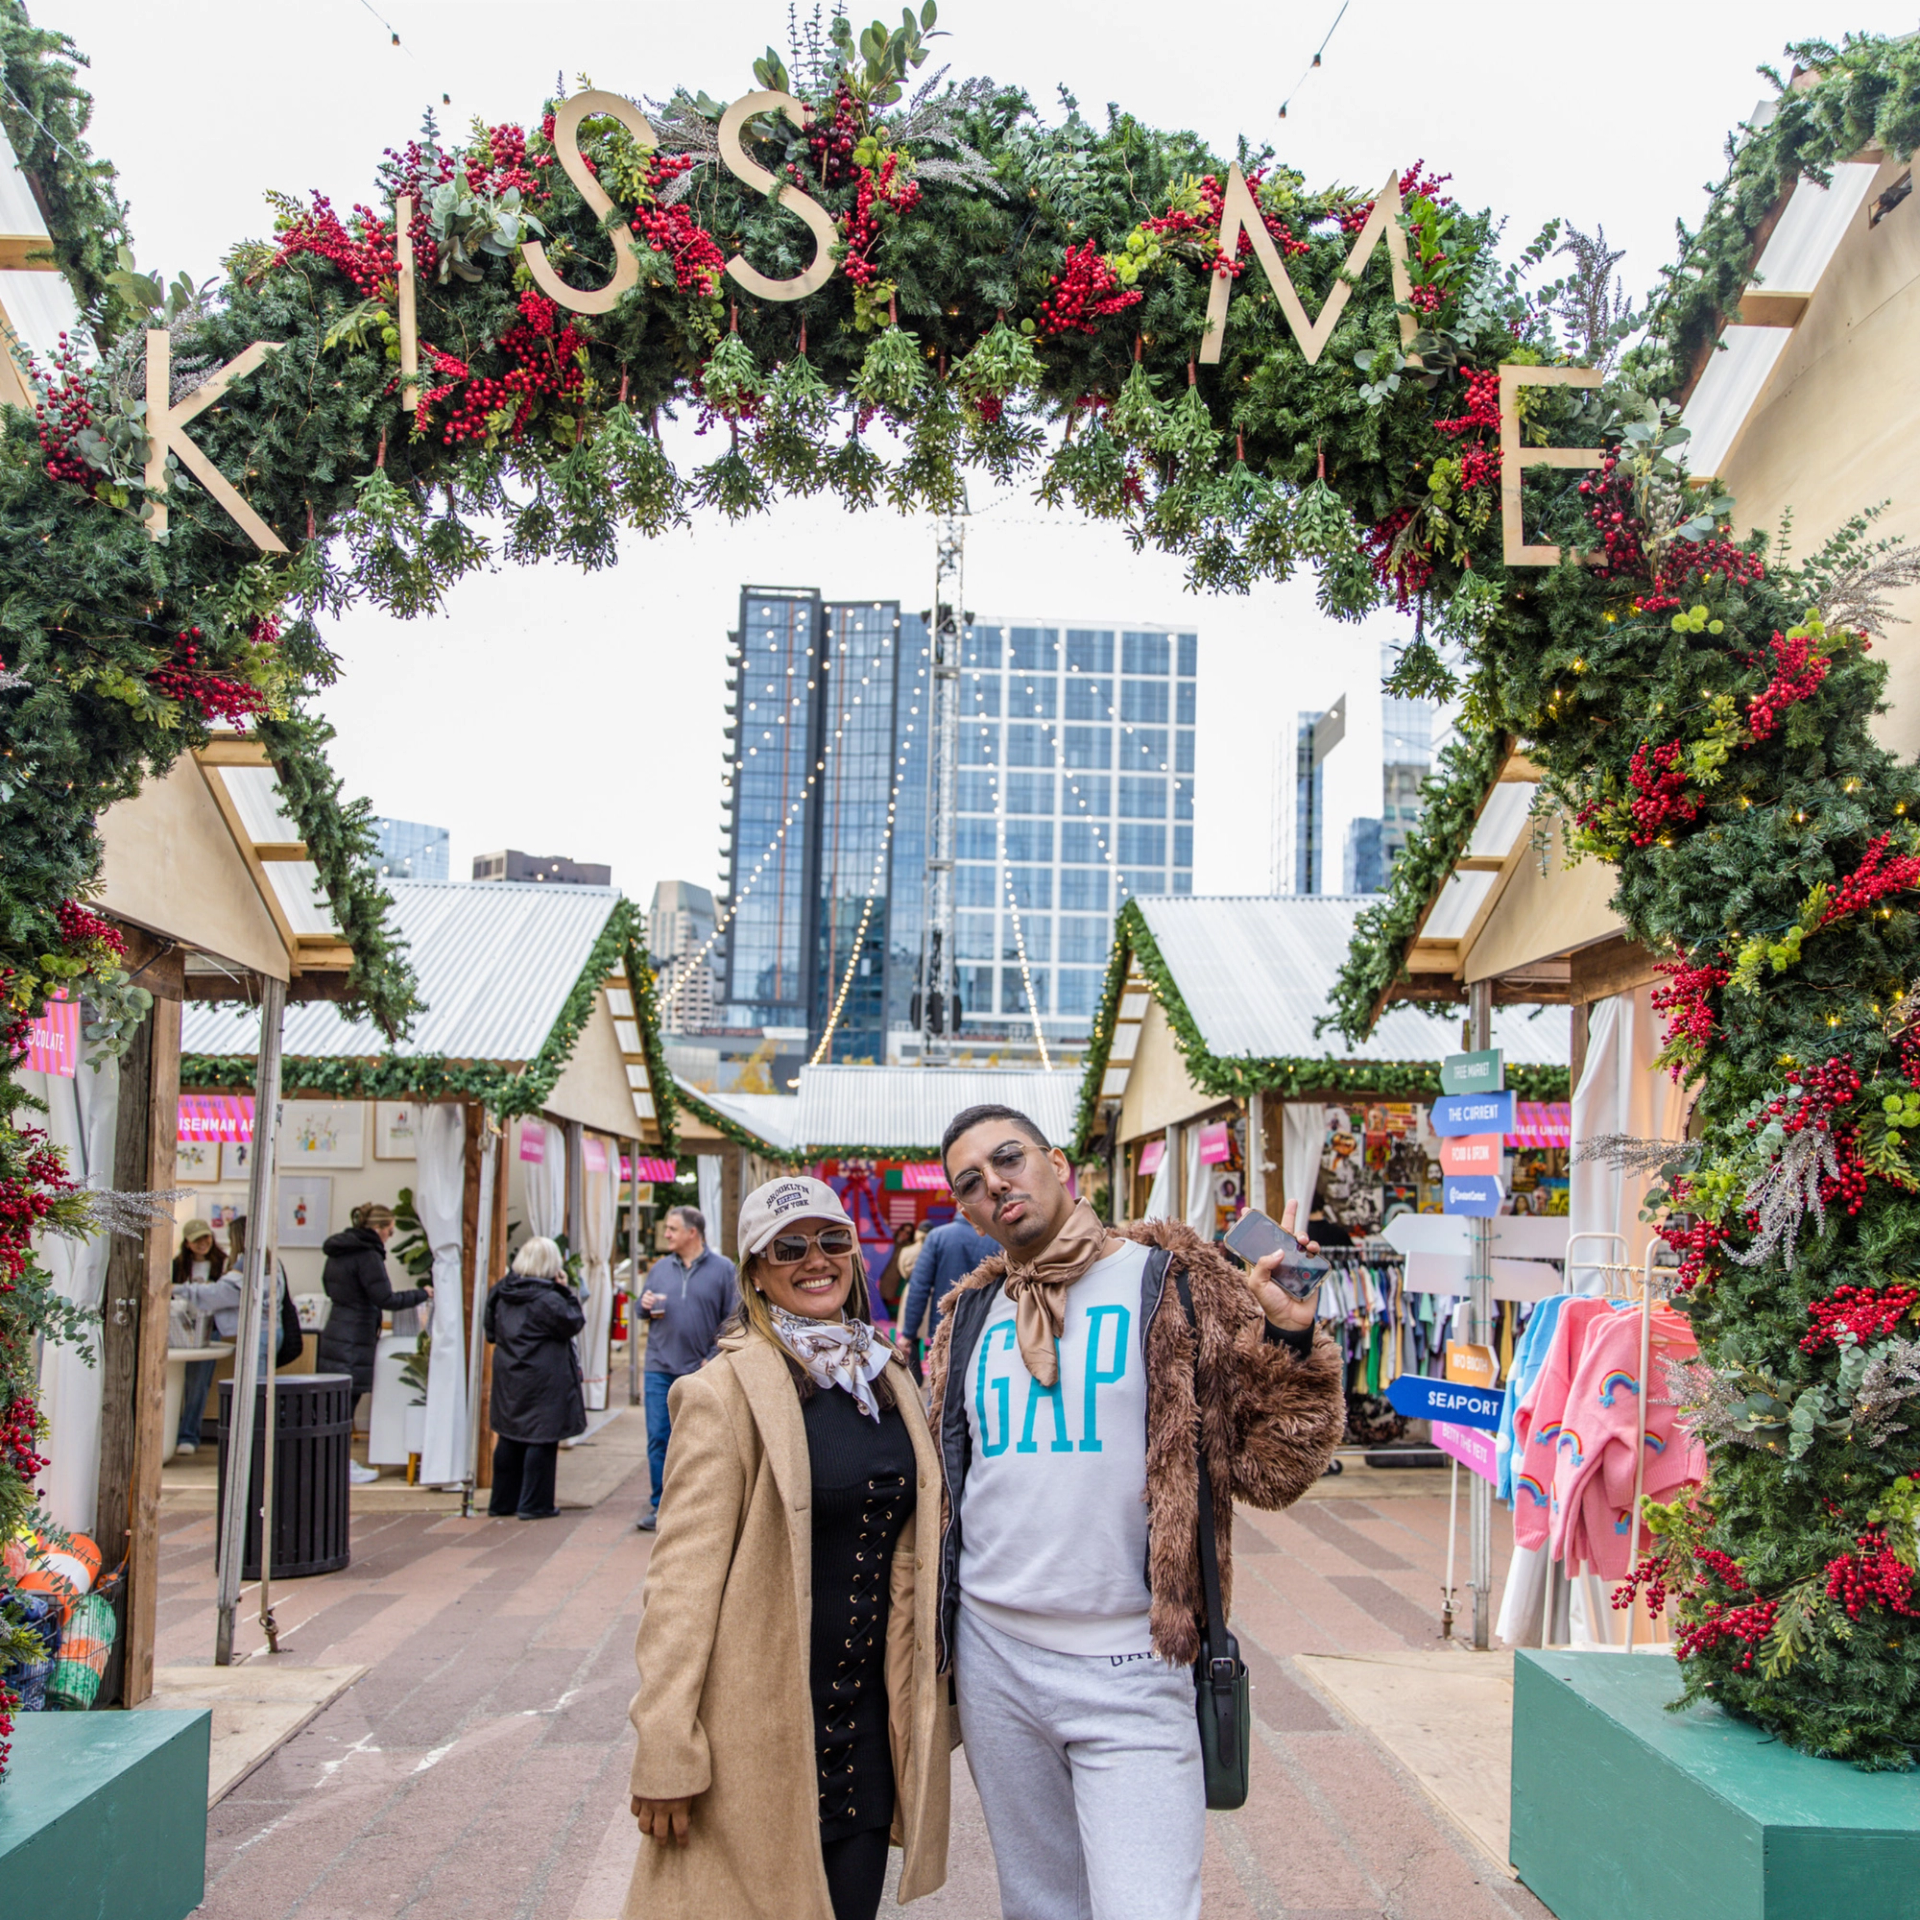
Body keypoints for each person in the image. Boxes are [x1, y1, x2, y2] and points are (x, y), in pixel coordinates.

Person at [926, 1104, 1345, 1920]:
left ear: (1057, 1163)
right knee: (1040, 1905)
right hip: (995, 1659)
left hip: (1134, 1661)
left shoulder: (1176, 1283)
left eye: (1008, 1159)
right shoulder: (969, 1316)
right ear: (967, 1214)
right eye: (970, 1183)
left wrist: (1291, 1341)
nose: (995, 1185)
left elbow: (1273, 1470)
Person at [626, 1175, 949, 1920]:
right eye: (788, 1247)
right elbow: (679, 1587)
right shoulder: (721, 1394)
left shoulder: (885, 1376)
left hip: (864, 1734)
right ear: (755, 1272)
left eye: (832, 1240)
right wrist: (665, 1739)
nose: (815, 1259)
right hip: (762, 1732)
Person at [634, 1205, 736, 1533]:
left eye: (672, 1229)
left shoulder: (724, 1270)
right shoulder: (660, 1268)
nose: (666, 1234)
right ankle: (660, 1507)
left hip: (700, 1371)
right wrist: (643, 1305)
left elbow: (734, 1318)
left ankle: (697, 1507)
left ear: (693, 1232)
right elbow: (641, 1308)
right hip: (659, 1367)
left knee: (700, 1442)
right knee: (658, 1438)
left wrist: (712, 1356)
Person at [318, 1202, 431, 1487]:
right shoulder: (368, 1255)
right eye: (390, 1232)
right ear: (378, 1229)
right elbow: (385, 1298)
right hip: (355, 1336)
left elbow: (330, 1288)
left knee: (336, 1404)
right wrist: (422, 1294)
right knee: (347, 1404)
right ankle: (339, 1466)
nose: (389, 1238)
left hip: (335, 1330)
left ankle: (332, 1463)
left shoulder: (338, 1251)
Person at [484, 1235, 587, 1521]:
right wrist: (565, 1290)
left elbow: (490, 1331)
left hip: (509, 1373)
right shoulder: (549, 1299)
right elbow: (574, 1321)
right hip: (545, 1377)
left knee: (509, 1436)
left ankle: (502, 1501)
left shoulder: (500, 1291)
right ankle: (535, 1503)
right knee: (541, 1438)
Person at [897, 1211, 998, 1381]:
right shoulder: (997, 1241)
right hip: (984, 1328)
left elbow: (919, 1288)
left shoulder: (937, 1237)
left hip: (943, 1329)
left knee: (941, 1385)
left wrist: (908, 1334)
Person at [170, 1219, 228, 1453]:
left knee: (198, 1385)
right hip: (178, 1327)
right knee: (172, 1382)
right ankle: (169, 1434)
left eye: (206, 1237)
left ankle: (188, 1436)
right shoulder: (176, 1265)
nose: (202, 1243)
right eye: (197, 1240)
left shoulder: (223, 1265)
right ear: (187, 1243)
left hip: (208, 1328)